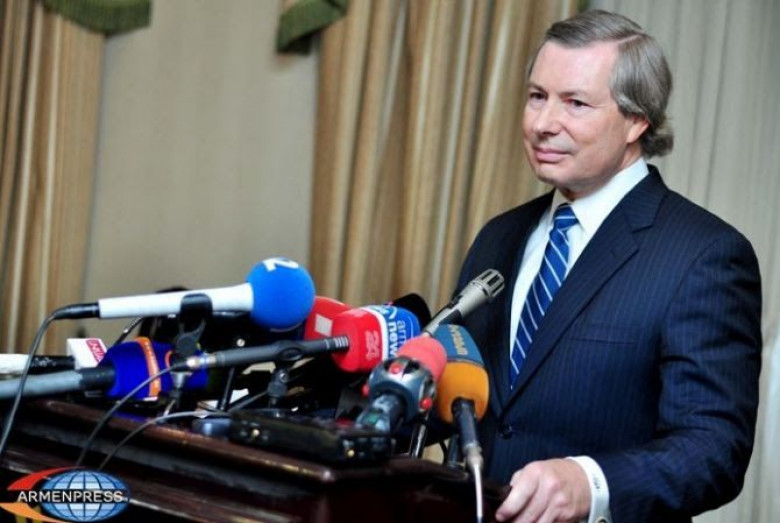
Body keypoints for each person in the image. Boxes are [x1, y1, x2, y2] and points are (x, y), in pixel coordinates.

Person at [455, 9, 762, 523]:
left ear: (637, 120)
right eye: (537, 96)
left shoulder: (704, 254)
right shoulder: (499, 235)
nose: (542, 124)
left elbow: (714, 449)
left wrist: (592, 483)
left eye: (575, 103)